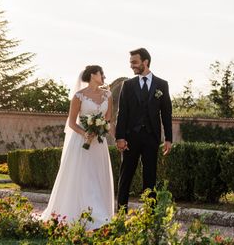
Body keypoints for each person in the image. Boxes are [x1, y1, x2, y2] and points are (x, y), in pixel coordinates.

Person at [40, 65, 114, 229]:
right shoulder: (78, 96)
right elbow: (72, 123)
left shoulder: (108, 95)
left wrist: (101, 129)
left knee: (97, 175)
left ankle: (101, 212)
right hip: (81, 142)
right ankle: (88, 214)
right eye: (101, 73)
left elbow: (108, 119)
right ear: (94, 75)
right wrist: (85, 133)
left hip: (99, 143)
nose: (103, 76)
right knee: (83, 175)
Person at [115, 48, 172, 211]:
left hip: (151, 138)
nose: (132, 66)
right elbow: (122, 113)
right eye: (131, 62)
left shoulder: (162, 85)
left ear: (145, 62)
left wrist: (168, 139)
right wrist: (120, 137)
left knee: (150, 177)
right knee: (126, 176)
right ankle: (121, 212)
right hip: (130, 138)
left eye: (134, 62)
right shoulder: (128, 85)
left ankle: (150, 214)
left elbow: (166, 113)